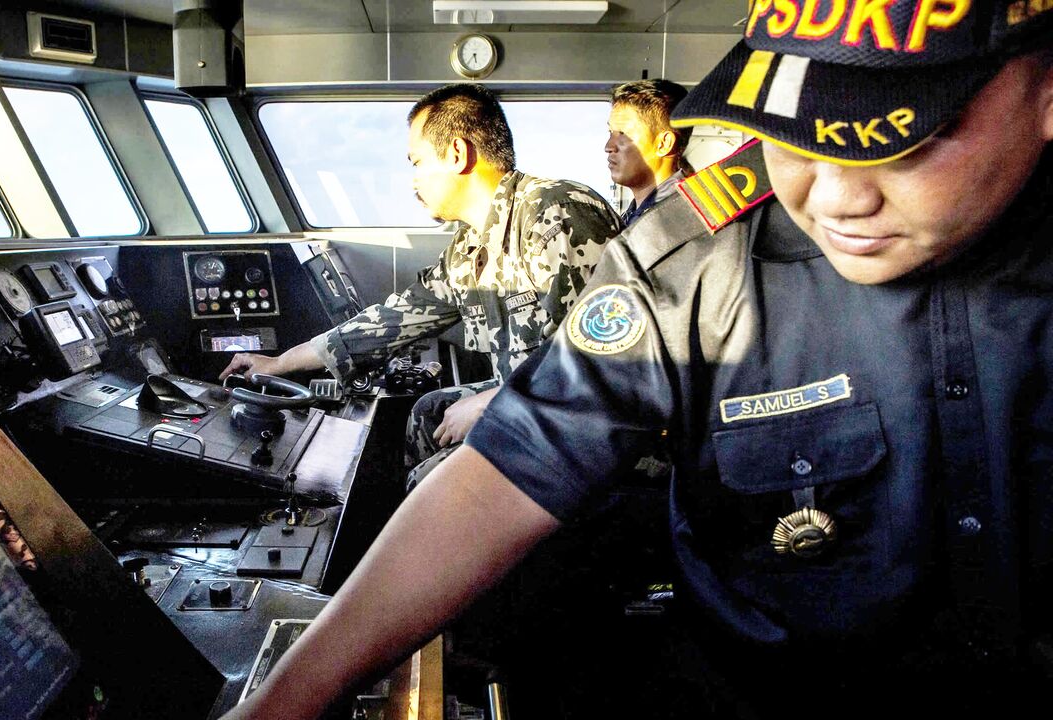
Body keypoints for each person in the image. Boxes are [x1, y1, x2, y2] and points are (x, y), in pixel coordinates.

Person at [220, 2, 1053, 718]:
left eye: (907, 139)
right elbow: (510, 471)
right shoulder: (689, 264)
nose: (834, 197)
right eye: (790, 134)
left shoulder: (558, 212)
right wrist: (288, 699)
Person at [220, 84, 620, 486]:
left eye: (417, 162)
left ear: (458, 154)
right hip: (531, 402)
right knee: (429, 411)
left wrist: (496, 401)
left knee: (432, 481)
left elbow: (601, 357)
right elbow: (392, 320)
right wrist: (277, 364)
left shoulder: (557, 212)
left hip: (586, 425)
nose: (412, 180)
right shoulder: (470, 245)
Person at [605, 79, 692, 227]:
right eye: (610, 132)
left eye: (623, 133)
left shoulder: (679, 219)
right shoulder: (635, 215)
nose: (608, 147)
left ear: (664, 144)